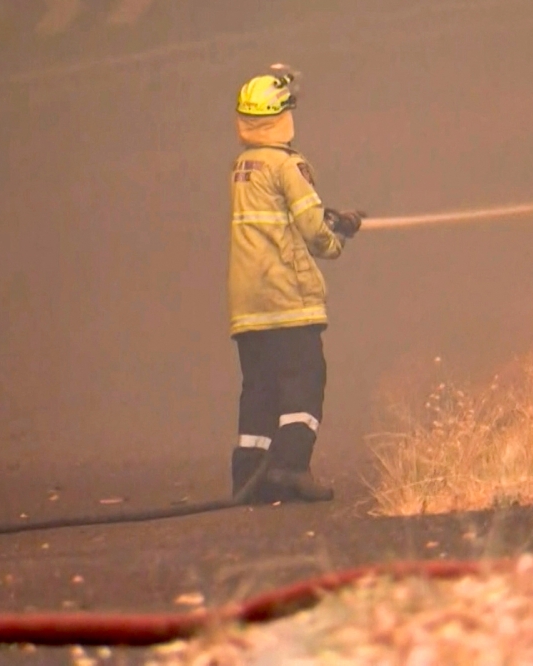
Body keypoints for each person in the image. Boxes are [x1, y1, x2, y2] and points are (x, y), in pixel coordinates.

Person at [227, 65, 363, 503]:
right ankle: (290, 467)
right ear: (282, 116)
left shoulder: (243, 167)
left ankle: (250, 477)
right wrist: (338, 234)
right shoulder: (289, 165)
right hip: (287, 298)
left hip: (248, 304)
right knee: (305, 379)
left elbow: (279, 219)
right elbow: (309, 227)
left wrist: (327, 217)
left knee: (260, 388)